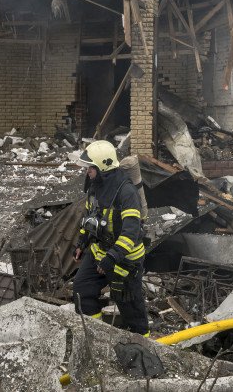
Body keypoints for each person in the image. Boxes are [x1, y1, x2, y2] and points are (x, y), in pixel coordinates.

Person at [72, 140, 149, 335]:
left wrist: (113, 257)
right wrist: (82, 242)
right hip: (100, 252)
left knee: (128, 303)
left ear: (102, 166)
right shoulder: (94, 188)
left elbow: (130, 232)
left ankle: (143, 343)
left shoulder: (126, 192)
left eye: (90, 167)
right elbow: (89, 218)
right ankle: (95, 335)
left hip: (125, 259)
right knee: (82, 289)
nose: (87, 171)